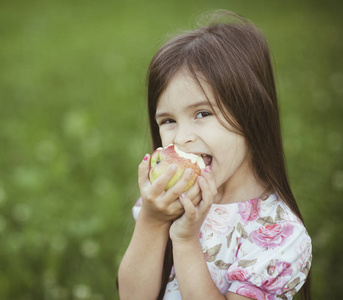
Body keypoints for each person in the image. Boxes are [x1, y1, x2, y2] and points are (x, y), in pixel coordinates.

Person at [117, 10, 312, 300]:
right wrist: (152, 219)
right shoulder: (168, 201)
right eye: (168, 120)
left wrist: (185, 241)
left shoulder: (279, 235)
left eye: (202, 113)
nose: (182, 137)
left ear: (251, 114)